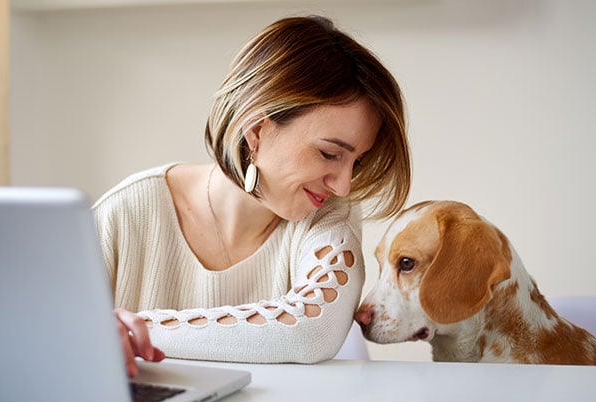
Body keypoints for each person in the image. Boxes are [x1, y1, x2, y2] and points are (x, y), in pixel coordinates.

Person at [94, 15, 411, 376]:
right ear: (256, 130)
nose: (343, 185)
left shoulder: (327, 216)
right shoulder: (122, 215)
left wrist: (132, 330)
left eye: (357, 160)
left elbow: (311, 332)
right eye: (329, 153)